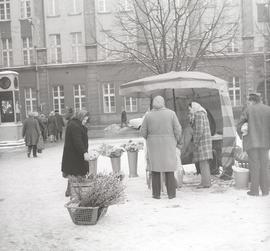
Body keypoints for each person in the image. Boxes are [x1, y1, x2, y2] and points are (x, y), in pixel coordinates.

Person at [140, 96, 182, 199]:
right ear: (163, 102)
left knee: (155, 170)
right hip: (169, 144)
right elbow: (178, 129)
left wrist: (150, 138)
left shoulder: (148, 115)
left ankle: (156, 194)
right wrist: (176, 140)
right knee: (169, 169)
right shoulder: (171, 114)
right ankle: (171, 194)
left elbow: (143, 132)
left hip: (153, 146)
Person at [237, 92, 270, 196]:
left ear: (251, 100)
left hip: (252, 142)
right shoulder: (268, 109)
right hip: (265, 143)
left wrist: (242, 133)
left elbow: (239, 125)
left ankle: (254, 190)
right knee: (265, 166)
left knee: (254, 166)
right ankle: (265, 190)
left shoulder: (248, 110)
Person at [61, 110, 91, 197]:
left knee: (74, 173)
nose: (85, 121)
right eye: (85, 120)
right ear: (80, 117)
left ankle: (70, 190)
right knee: (76, 172)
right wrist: (84, 152)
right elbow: (78, 141)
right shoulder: (75, 126)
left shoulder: (75, 124)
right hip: (75, 155)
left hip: (73, 154)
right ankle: (73, 192)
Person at [188, 102, 213, 188]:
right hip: (205, 141)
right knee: (204, 163)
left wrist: (196, 141)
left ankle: (206, 183)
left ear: (194, 107)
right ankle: (206, 182)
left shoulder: (198, 115)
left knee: (203, 163)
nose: (189, 111)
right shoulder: (202, 113)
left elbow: (199, 129)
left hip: (202, 142)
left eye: (190, 109)